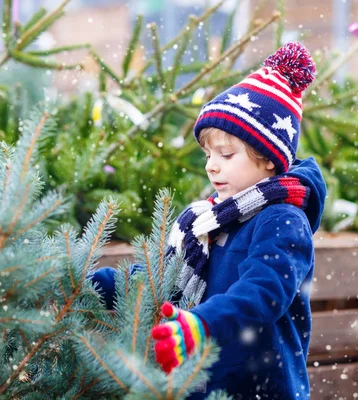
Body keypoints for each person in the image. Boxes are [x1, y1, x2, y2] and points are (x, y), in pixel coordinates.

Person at [91, 42, 326, 399]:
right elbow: (159, 280)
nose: (211, 165)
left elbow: (262, 293)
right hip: (202, 388)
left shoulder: (282, 221)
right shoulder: (208, 221)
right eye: (208, 153)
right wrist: (90, 285)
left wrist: (202, 324)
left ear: (268, 158)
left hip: (260, 390)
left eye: (226, 153)